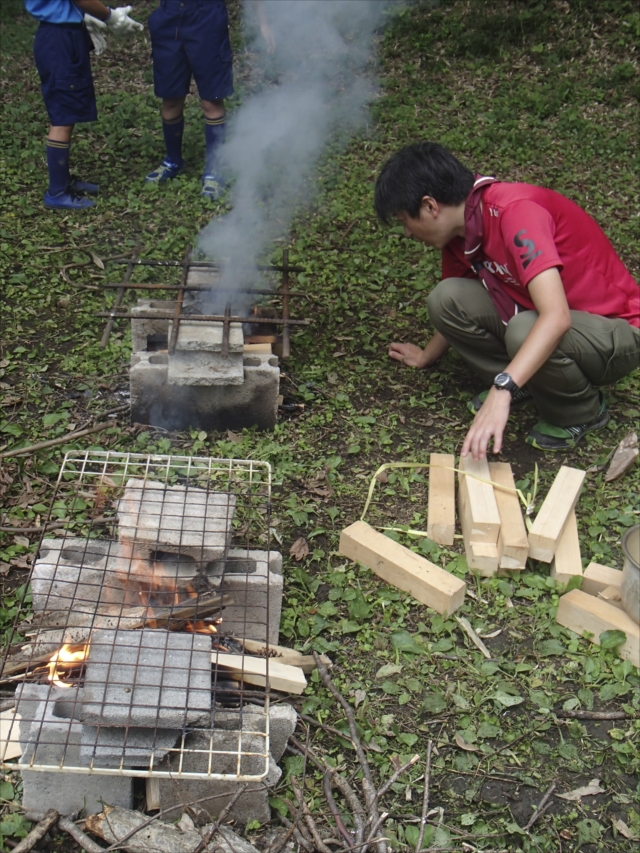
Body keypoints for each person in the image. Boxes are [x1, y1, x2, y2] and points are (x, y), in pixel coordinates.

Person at [374, 142, 639, 460]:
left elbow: (556, 317)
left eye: (405, 220)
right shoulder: (462, 231)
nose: (407, 232)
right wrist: (426, 356)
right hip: (547, 321)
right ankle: (523, 384)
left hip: (617, 331)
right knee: (446, 299)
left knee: (524, 329)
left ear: (430, 206)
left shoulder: (515, 213)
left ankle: (580, 411)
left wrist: (500, 390)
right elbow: (459, 300)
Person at [144, 0, 274, 200]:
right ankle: (172, 160)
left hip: (206, 18)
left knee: (211, 101)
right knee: (170, 100)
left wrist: (263, 23)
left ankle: (214, 169)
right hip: (169, 19)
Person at [25, 0, 143, 210]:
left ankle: (63, 181)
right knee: (63, 115)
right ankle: (57, 191)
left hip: (58, 33)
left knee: (66, 108)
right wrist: (109, 16)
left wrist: (79, 16)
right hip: (60, 37)